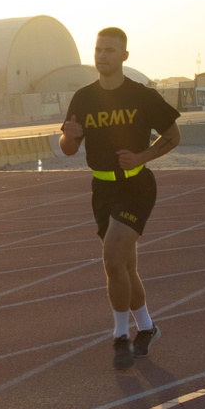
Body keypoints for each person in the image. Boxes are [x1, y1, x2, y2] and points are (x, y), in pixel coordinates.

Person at [59, 28, 181, 370]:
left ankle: (119, 337)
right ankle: (147, 327)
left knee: (112, 257)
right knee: (125, 267)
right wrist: (69, 138)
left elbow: (173, 135)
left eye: (110, 50)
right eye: (98, 49)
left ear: (124, 56)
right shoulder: (83, 98)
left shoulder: (142, 96)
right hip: (102, 189)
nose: (102, 56)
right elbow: (68, 148)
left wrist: (142, 157)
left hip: (136, 186)